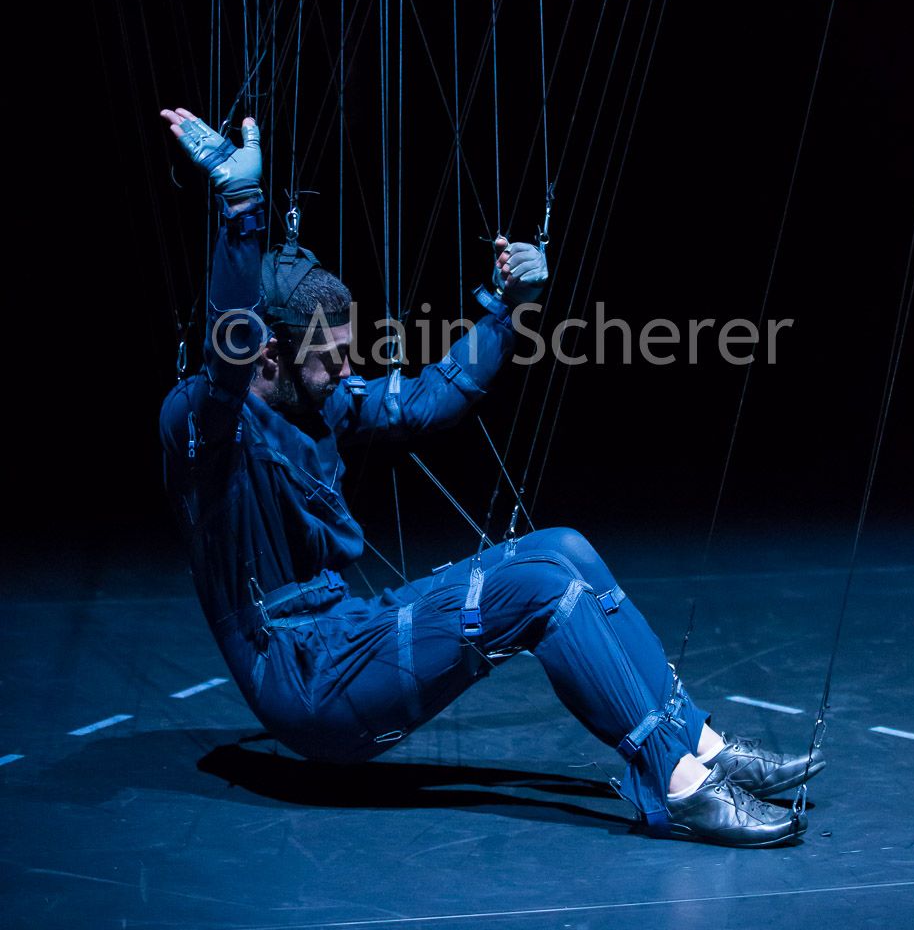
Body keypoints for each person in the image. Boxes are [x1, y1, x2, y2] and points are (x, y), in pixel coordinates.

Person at [159, 108, 825, 846]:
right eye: (331, 357)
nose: (350, 371)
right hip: (304, 677)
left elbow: (430, 396)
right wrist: (241, 210)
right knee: (539, 588)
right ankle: (678, 787)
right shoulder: (204, 425)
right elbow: (227, 351)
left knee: (564, 549)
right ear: (269, 357)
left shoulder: (320, 404)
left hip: (345, 635)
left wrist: (510, 309)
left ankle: (702, 745)